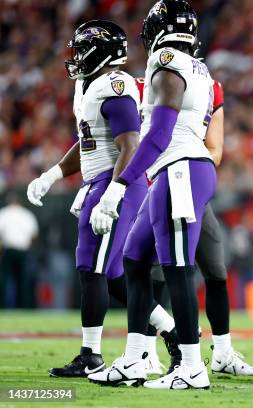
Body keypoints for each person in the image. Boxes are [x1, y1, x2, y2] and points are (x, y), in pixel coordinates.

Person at [26, 19, 179, 378]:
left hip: (116, 184)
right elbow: (89, 142)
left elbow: (130, 144)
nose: (76, 57)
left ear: (101, 52)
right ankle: (174, 331)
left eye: (82, 50)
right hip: (102, 181)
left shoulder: (115, 85)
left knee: (91, 268)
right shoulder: (91, 86)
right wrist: (52, 175)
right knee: (110, 275)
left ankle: (90, 354)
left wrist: (114, 190)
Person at [88, 0, 216, 390]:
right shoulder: (200, 67)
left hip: (181, 169)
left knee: (177, 268)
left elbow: (159, 134)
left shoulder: (166, 60)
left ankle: (192, 366)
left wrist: (120, 183)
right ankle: (134, 359)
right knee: (133, 257)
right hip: (177, 169)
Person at [136, 77, 253, 376]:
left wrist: (191, 168)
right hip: (153, 185)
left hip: (188, 181)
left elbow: (214, 149)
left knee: (215, 270)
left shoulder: (209, 86)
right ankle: (146, 350)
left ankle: (223, 353)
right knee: (158, 273)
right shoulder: (145, 83)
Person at [0, 192, 39, 308]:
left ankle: (2, 306)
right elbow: (34, 234)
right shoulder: (27, 214)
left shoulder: (4, 213)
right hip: (23, 251)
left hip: (8, 250)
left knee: (5, 280)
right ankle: (24, 307)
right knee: (23, 281)